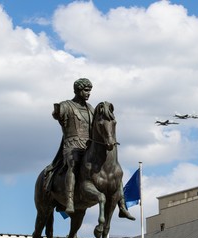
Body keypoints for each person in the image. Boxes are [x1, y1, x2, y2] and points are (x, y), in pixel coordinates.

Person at [44, 78, 134, 220]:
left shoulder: (91, 109)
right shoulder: (67, 106)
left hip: (89, 145)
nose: (88, 93)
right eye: (86, 90)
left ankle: (122, 206)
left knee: (113, 169)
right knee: (73, 164)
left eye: (90, 91)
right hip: (72, 145)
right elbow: (57, 114)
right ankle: (69, 200)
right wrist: (57, 111)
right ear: (77, 90)